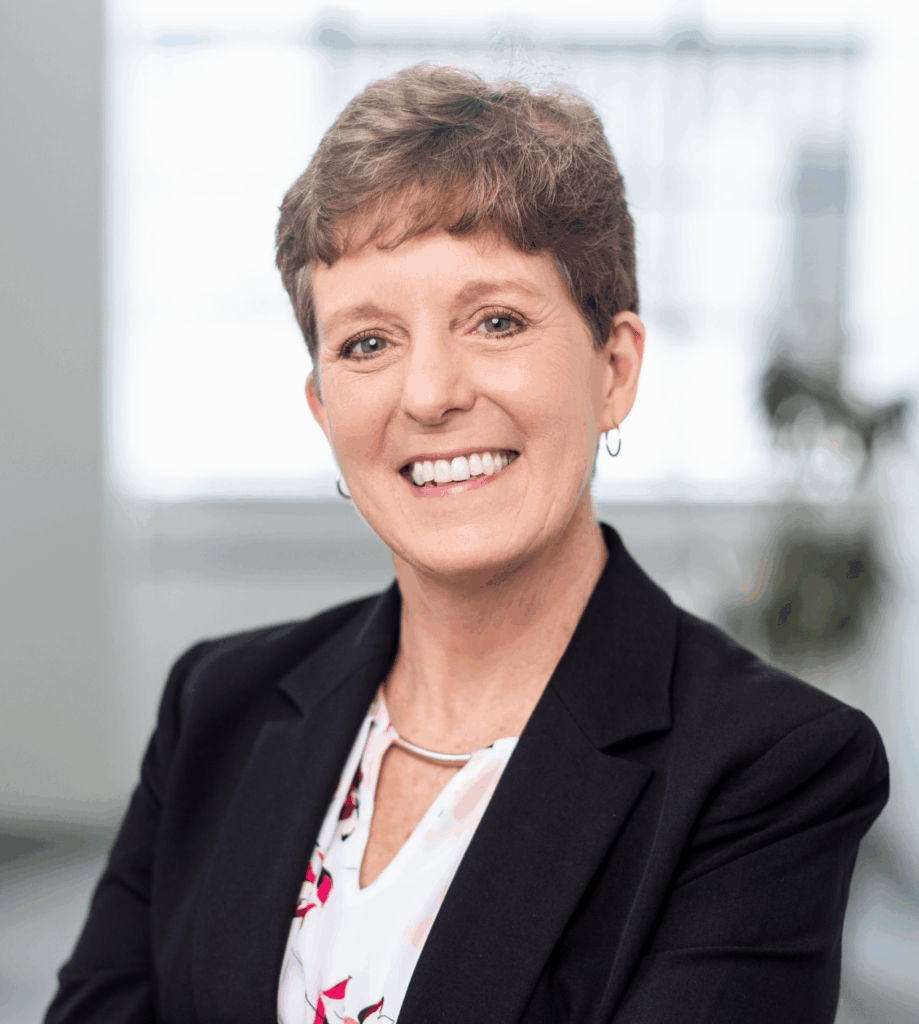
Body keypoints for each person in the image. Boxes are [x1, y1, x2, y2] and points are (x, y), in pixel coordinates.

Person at [46, 64, 888, 1024]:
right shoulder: (217, 707)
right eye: (367, 343)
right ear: (323, 410)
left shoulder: (768, 768)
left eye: (495, 322)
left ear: (614, 370)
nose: (430, 394)